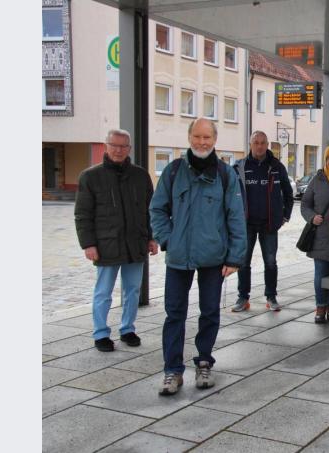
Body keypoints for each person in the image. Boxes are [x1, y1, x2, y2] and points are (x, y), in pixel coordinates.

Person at [150, 118, 246, 396]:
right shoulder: (173, 171)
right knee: (174, 314)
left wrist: (234, 257)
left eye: (207, 137)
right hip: (179, 257)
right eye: (197, 136)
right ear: (189, 137)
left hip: (213, 257)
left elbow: (236, 217)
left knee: (210, 311)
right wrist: (168, 239)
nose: (202, 142)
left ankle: (204, 361)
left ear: (215, 140)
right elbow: (157, 209)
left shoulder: (226, 175)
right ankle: (172, 370)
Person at [75, 128, 158, 352]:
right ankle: (101, 333)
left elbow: (151, 210)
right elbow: (82, 214)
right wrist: (88, 244)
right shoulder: (90, 176)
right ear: (106, 145)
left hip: (135, 244)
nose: (119, 150)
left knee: (132, 290)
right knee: (103, 292)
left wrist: (152, 237)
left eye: (123, 146)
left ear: (129, 148)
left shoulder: (140, 176)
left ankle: (127, 329)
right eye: (115, 145)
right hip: (105, 244)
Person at [231, 131, 294, 312]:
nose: (259, 146)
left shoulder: (276, 167)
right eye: (256, 142)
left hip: (269, 224)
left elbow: (288, 194)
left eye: (263, 143)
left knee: (271, 262)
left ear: (268, 145)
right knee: (243, 262)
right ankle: (243, 298)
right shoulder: (240, 166)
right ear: (250, 144)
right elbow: (230, 195)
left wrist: (285, 216)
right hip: (246, 224)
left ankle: (271, 296)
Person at [301, 141, 329, 323]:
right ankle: (320, 306)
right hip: (320, 236)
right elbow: (305, 204)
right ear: (326, 160)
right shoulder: (317, 179)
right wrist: (312, 217)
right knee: (320, 273)